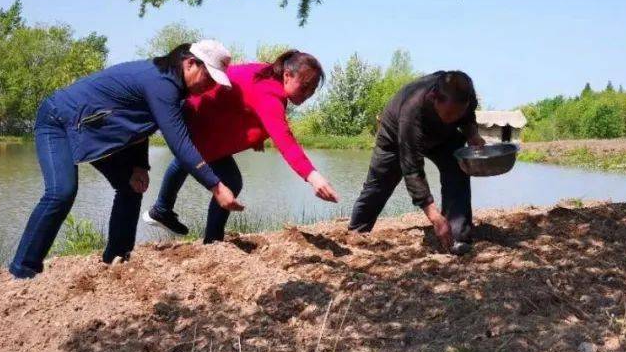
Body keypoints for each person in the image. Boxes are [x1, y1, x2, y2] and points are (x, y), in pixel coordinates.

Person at [8, 41, 244, 279]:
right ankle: (22, 270)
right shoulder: (161, 83)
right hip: (58, 120)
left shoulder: (171, 85)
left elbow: (139, 125)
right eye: (209, 77)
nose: (210, 85)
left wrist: (140, 165)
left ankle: (117, 257)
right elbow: (180, 143)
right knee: (61, 192)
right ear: (190, 63)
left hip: (95, 130)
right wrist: (216, 186)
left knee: (132, 186)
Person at [145, 50, 339, 243]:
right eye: (305, 86)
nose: (307, 94)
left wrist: (256, 136)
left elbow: (244, 104)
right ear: (287, 76)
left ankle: (177, 219)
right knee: (215, 171)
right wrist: (313, 176)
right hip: (193, 111)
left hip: (203, 115)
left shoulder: (268, 73)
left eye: (312, 90)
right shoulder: (270, 92)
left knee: (217, 171)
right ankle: (203, 235)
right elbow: (285, 141)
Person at [348, 71, 484, 256]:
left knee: (457, 169)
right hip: (396, 138)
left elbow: (468, 117)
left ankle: (457, 234)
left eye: (458, 113)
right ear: (434, 98)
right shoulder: (412, 110)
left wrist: (472, 135)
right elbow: (412, 169)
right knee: (379, 185)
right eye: (449, 113)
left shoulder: (465, 94)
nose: (454, 117)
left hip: (443, 138)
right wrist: (434, 216)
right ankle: (357, 232)